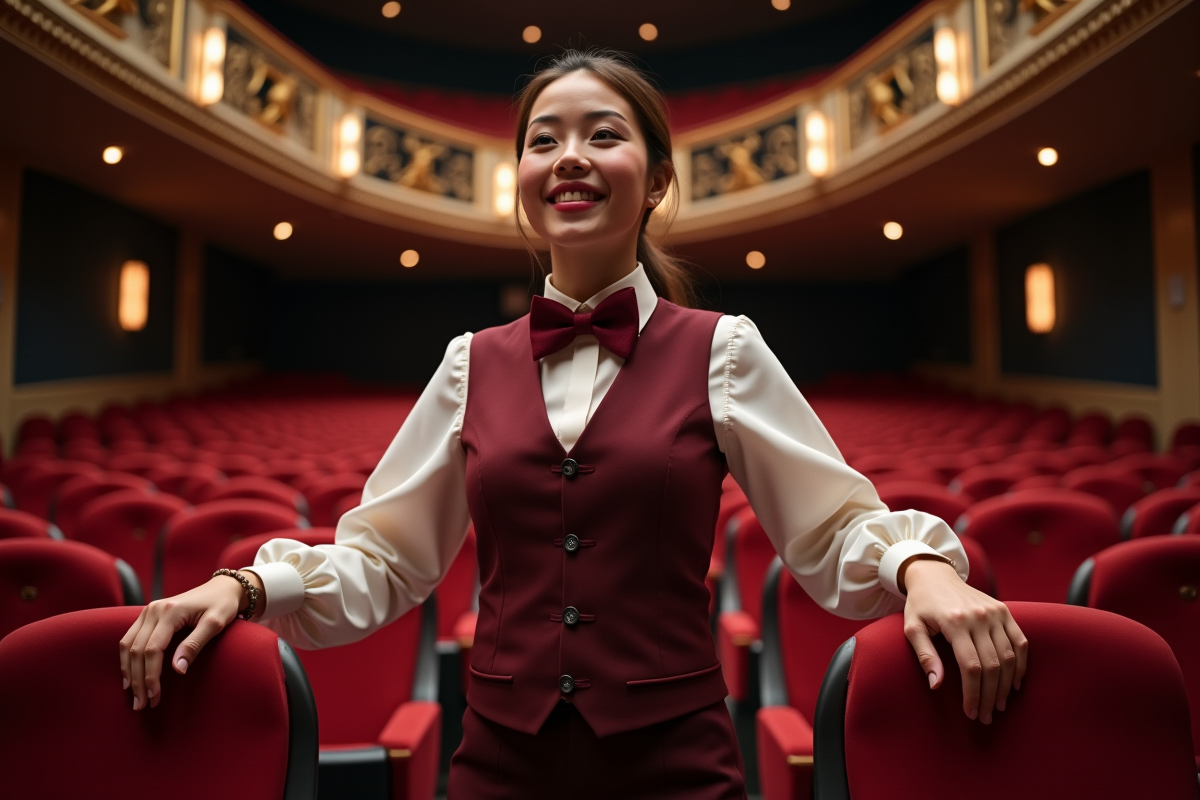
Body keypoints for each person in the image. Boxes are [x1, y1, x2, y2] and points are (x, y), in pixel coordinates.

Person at [119, 50, 1027, 798]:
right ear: (519, 178)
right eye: (543, 140)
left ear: (658, 177)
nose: (570, 158)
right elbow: (385, 562)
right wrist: (241, 586)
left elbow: (831, 531)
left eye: (604, 135)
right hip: (496, 763)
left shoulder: (726, 350)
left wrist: (923, 569)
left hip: (677, 761)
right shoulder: (469, 361)